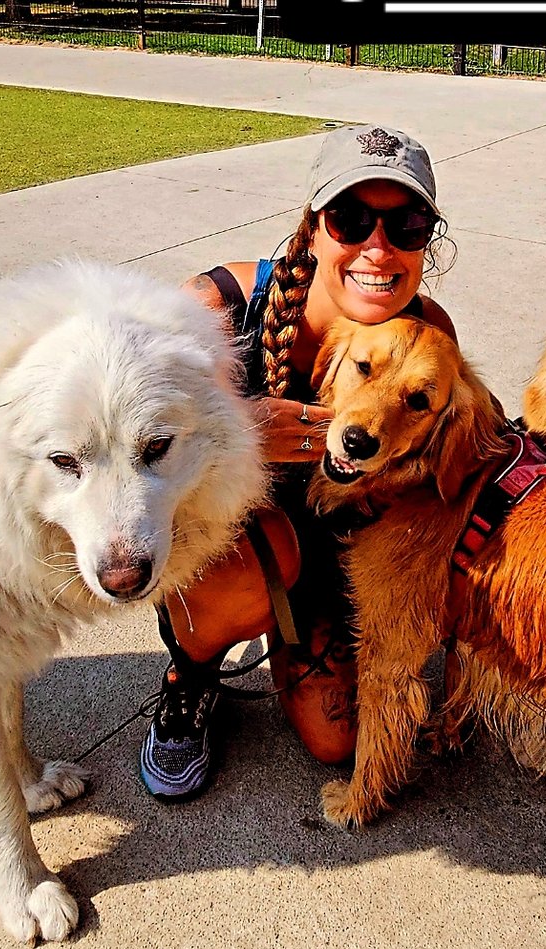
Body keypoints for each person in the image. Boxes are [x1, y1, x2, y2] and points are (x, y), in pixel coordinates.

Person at [138, 124, 459, 802]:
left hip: (337, 554)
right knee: (260, 562)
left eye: (406, 225)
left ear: (426, 242)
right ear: (313, 228)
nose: (379, 247)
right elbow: (132, 448)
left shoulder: (429, 337)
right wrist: (239, 435)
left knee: (335, 740)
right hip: (229, 548)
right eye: (351, 219)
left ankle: (300, 636)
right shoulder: (216, 308)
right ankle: (190, 675)